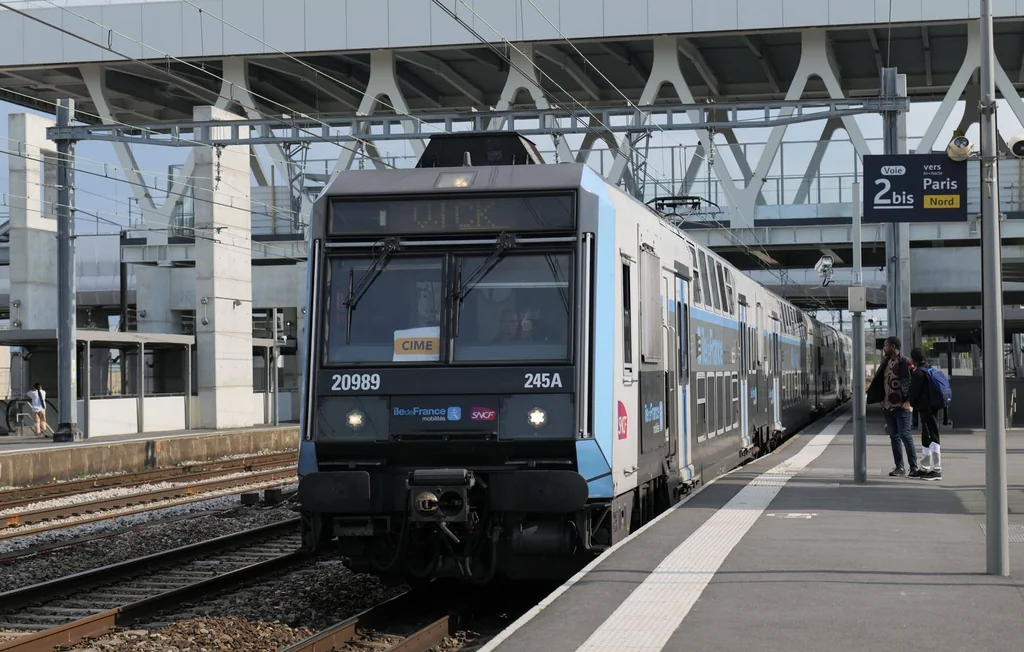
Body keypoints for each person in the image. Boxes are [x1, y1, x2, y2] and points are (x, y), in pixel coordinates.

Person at [867, 336, 921, 477]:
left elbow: (915, 382)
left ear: (893, 346)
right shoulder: (886, 362)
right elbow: (880, 381)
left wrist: (909, 401)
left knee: (905, 435)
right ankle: (899, 467)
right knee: (894, 437)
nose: (884, 348)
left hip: (902, 407)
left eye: (886, 345)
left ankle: (914, 467)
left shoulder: (906, 362)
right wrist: (880, 399)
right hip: (887, 407)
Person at [908, 348, 942, 481]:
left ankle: (937, 470)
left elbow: (913, 393)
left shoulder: (918, 374)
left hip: (925, 408)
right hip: (932, 407)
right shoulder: (930, 369)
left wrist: (911, 404)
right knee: (927, 437)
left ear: (913, 360)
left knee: (932, 436)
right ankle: (925, 467)